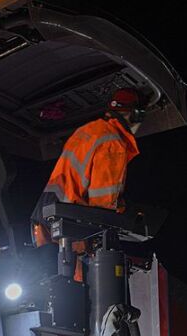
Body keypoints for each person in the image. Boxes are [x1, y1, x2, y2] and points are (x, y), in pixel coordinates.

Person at [31, 87, 144, 248]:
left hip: (47, 212)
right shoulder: (113, 143)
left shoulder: (89, 130)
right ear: (135, 114)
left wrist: (122, 206)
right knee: (81, 270)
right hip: (70, 221)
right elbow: (102, 203)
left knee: (52, 271)